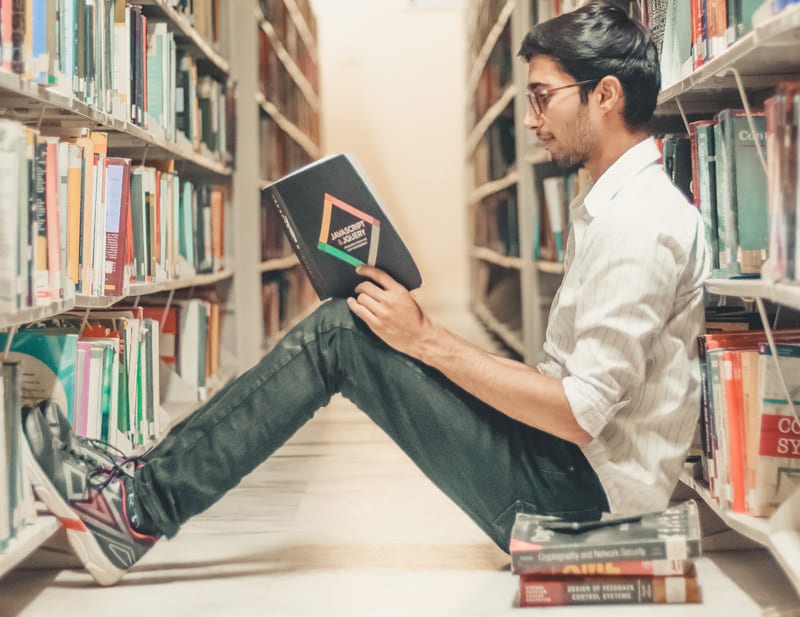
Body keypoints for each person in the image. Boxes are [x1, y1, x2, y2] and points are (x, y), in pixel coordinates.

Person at [22, 0, 708, 587]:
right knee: (355, 325)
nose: (530, 118)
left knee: (339, 336)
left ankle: (136, 507)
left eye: (542, 95)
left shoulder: (638, 226)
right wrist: (426, 341)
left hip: (575, 506)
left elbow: (579, 414)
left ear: (607, 95)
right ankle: (138, 484)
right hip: (563, 467)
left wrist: (428, 340)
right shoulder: (619, 205)